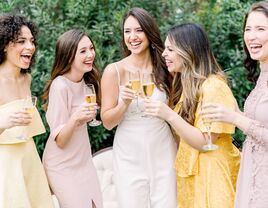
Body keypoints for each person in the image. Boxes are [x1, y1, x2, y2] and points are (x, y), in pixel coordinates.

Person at [144, 23, 241, 208]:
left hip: (213, 176)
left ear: (188, 51)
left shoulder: (214, 87)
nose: (164, 54)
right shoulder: (188, 87)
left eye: (170, 49)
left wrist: (169, 115)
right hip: (194, 176)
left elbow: (206, 142)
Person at [101, 7, 177, 208]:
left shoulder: (166, 67)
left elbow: (177, 112)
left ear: (149, 33)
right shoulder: (114, 71)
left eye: (138, 30)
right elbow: (108, 123)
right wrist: (123, 104)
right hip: (129, 154)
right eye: (127, 31)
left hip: (163, 149)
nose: (132, 37)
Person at [201, 1, 268, 207]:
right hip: (251, 177)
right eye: (248, 29)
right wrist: (231, 110)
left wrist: (234, 118)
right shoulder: (261, 76)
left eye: (260, 29)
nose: (251, 36)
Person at [42, 29, 103, 208]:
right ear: (69, 56)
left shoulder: (88, 83)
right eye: (83, 51)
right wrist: (76, 118)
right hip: (62, 165)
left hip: (84, 161)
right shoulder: (60, 86)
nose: (90, 54)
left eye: (91, 49)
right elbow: (60, 141)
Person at [0, 14, 54, 207]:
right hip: (6, 166)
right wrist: (4, 123)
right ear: (5, 45)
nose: (30, 47)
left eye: (32, 41)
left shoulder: (27, 79)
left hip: (30, 157)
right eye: (21, 41)